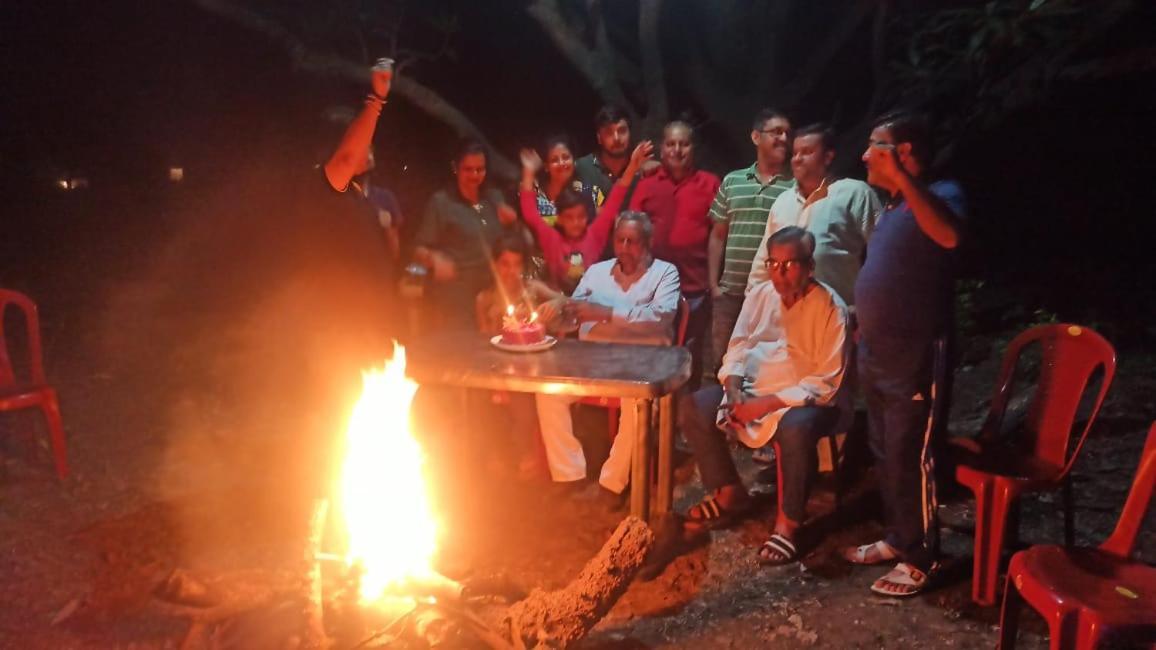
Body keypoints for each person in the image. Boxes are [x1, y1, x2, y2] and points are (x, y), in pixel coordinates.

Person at [843, 110, 966, 598]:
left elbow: (951, 237)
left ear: (904, 152)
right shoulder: (894, 209)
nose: (865, 154)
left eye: (876, 145)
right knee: (884, 449)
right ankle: (898, 538)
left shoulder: (942, 195)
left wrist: (902, 181)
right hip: (877, 351)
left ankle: (922, 556)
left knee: (912, 454)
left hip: (916, 353)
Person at [680, 227, 848, 565]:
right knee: (696, 405)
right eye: (773, 264)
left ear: (810, 266)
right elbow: (739, 346)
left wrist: (766, 404)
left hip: (804, 400)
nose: (779, 274)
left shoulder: (831, 307)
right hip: (754, 390)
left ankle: (788, 523)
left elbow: (827, 381)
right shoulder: (760, 295)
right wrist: (733, 390)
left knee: (795, 428)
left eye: (789, 265)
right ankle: (730, 493)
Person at [534, 212, 680, 505]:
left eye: (633, 241)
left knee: (636, 401)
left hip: (642, 362)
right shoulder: (598, 272)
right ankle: (568, 473)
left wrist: (604, 312)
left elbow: (660, 317)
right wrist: (556, 310)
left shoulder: (665, 273)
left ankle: (613, 483)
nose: (625, 247)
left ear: (648, 243)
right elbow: (573, 314)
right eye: (620, 240)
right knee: (547, 391)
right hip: (594, 360)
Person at [629, 120, 721, 390]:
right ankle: (653, 413)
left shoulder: (710, 183)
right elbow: (634, 230)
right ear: (662, 147)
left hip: (694, 287)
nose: (677, 150)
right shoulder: (647, 183)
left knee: (689, 357)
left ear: (693, 148)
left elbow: (718, 233)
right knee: (654, 352)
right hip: (652, 289)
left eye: (684, 143)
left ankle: (684, 420)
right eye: (671, 144)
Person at [747, 123, 881, 307]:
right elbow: (763, 261)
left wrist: (866, 310)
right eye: (794, 153)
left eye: (807, 152)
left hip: (837, 316)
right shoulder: (782, 202)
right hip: (784, 318)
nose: (797, 159)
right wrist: (752, 303)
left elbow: (882, 254)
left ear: (827, 157)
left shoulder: (854, 193)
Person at [708, 108, 794, 379]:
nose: (783, 138)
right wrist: (714, 286)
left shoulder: (794, 186)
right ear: (756, 137)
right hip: (731, 293)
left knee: (764, 369)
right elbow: (718, 235)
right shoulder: (733, 181)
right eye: (776, 132)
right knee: (722, 364)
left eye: (787, 133)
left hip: (772, 294)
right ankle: (718, 419)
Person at [474, 236, 563, 479]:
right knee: (477, 394)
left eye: (517, 264)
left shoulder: (532, 291)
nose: (511, 271)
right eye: (505, 264)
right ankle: (495, 454)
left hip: (533, 368)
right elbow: (484, 344)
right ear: (495, 265)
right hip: (498, 366)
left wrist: (552, 307)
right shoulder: (485, 299)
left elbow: (562, 300)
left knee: (520, 397)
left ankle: (527, 454)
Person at [518, 141, 653, 294]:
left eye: (580, 216)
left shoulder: (595, 233)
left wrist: (632, 166)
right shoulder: (552, 238)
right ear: (559, 219)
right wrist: (528, 171)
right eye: (569, 218)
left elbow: (616, 196)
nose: (576, 222)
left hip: (592, 301)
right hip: (557, 302)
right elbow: (530, 213)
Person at [412, 140, 519, 331]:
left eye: (480, 169)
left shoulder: (494, 198)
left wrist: (513, 223)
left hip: (494, 293)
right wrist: (433, 259)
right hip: (458, 295)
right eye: (468, 169)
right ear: (456, 168)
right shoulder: (441, 202)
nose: (475, 175)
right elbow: (418, 249)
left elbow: (510, 242)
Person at [574, 105, 642, 208]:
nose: (616, 138)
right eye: (609, 132)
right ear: (599, 138)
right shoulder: (583, 168)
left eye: (622, 130)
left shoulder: (640, 168)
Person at [527, 135, 598, 227]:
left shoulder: (591, 192)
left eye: (566, 157)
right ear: (546, 166)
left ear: (574, 160)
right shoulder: (533, 193)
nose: (561, 163)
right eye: (554, 160)